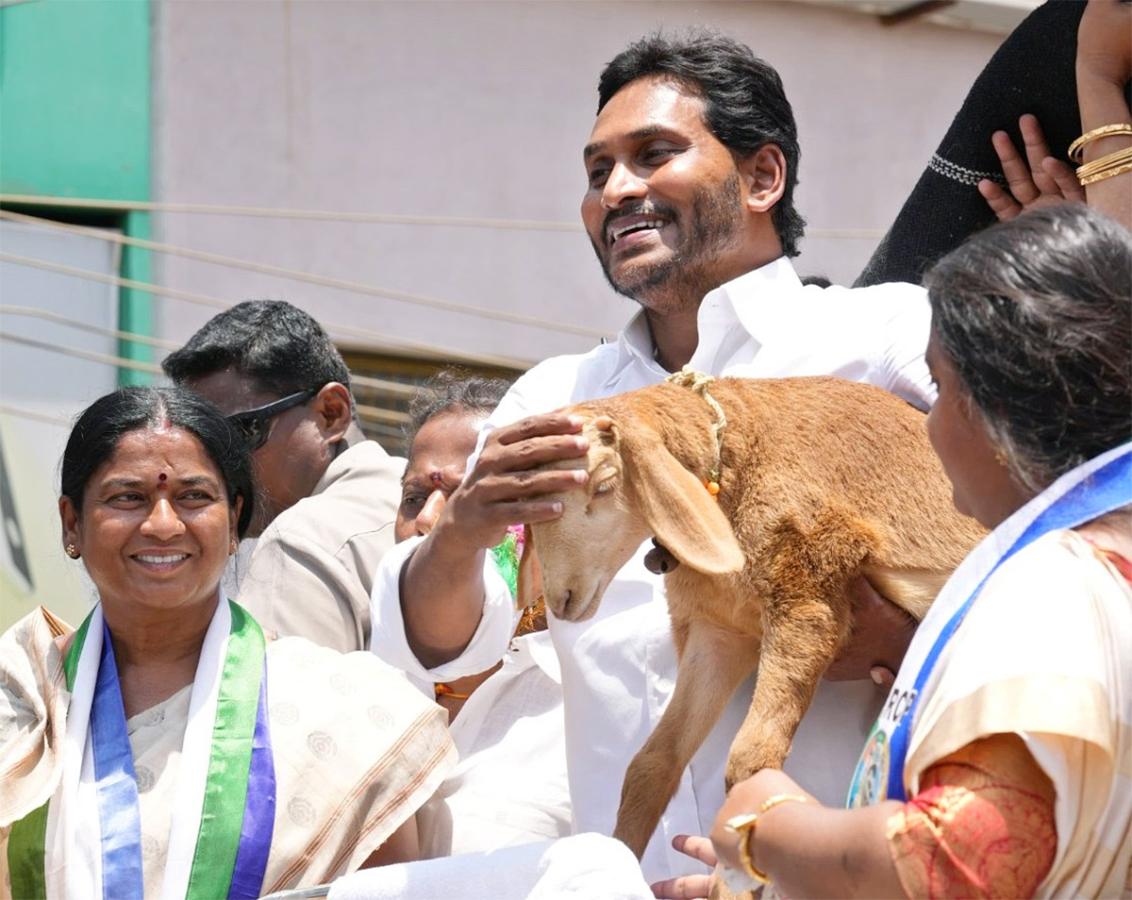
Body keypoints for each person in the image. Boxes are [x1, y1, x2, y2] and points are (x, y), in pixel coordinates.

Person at [373, 31, 935, 884]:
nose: (616, 191)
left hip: (840, 881)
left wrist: (889, 627)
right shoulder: (556, 403)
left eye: (653, 155)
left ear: (761, 177)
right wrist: (460, 533)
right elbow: (456, 646)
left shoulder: (881, 339)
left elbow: (1044, 542)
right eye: (598, 172)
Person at [706, 205, 1131, 898]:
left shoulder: (1054, 583)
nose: (926, 423)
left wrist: (766, 827)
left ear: (995, 407)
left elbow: (961, 864)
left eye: (939, 388)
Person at [0, 387, 454, 898]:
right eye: (127, 497)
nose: (163, 525)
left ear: (235, 519)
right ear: (71, 524)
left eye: (194, 497)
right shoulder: (20, 700)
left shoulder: (348, 710)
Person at [369, 370, 572, 859]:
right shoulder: (361, 691)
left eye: (472, 496)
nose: (429, 520)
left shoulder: (586, 708)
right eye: (414, 497)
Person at [162, 300, 404, 652]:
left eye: (241, 432)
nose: (216, 466)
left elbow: (277, 705)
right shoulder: (428, 504)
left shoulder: (298, 542)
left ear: (331, 413)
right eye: (202, 443)